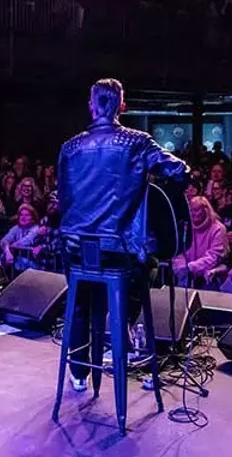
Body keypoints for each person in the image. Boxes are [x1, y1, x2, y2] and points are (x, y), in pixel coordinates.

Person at [58, 78, 187, 392]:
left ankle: (79, 373)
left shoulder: (69, 147)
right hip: (120, 251)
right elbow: (180, 171)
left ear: (91, 106)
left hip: (76, 249)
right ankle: (121, 338)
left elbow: (63, 197)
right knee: (145, 269)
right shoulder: (138, 141)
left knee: (80, 305)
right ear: (122, 106)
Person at [171, 196, 229, 289]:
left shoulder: (218, 228)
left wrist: (192, 267)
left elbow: (214, 255)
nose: (193, 214)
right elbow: (179, 252)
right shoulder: (185, 227)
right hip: (185, 276)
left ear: (205, 210)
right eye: (191, 210)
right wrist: (181, 268)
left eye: (196, 210)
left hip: (209, 276)